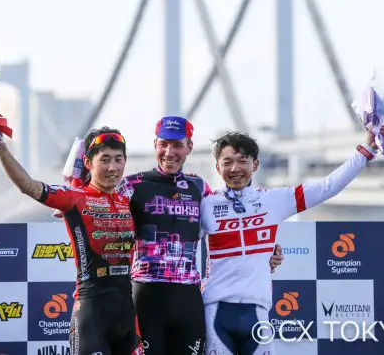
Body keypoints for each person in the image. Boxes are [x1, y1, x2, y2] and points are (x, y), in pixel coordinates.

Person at [58, 116, 284, 355]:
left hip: (188, 299)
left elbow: (230, 219)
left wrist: (267, 248)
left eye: (177, 145)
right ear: (155, 145)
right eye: (163, 144)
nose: (169, 152)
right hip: (146, 296)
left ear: (189, 147)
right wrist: (71, 195)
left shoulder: (200, 187)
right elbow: (95, 203)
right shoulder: (131, 184)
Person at [200, 128, 384, 355]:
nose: (235, 169)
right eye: (227, 162)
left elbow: (326, 187)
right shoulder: (206, 205)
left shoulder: (273, 200)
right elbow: (180, 241)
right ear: (217, 167)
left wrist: (367, 150)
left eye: (243, 161)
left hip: (258, 313)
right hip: (215, 312)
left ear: (256, 164)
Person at [0, 124, 143, 355]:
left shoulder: (129, 199)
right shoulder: (74, 197)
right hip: (91, 311)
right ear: (88, 163)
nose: (112, 167)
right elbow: (29, 186)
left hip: (127, 311)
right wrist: (0, 147)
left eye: (118, 159)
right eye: (104, 159)